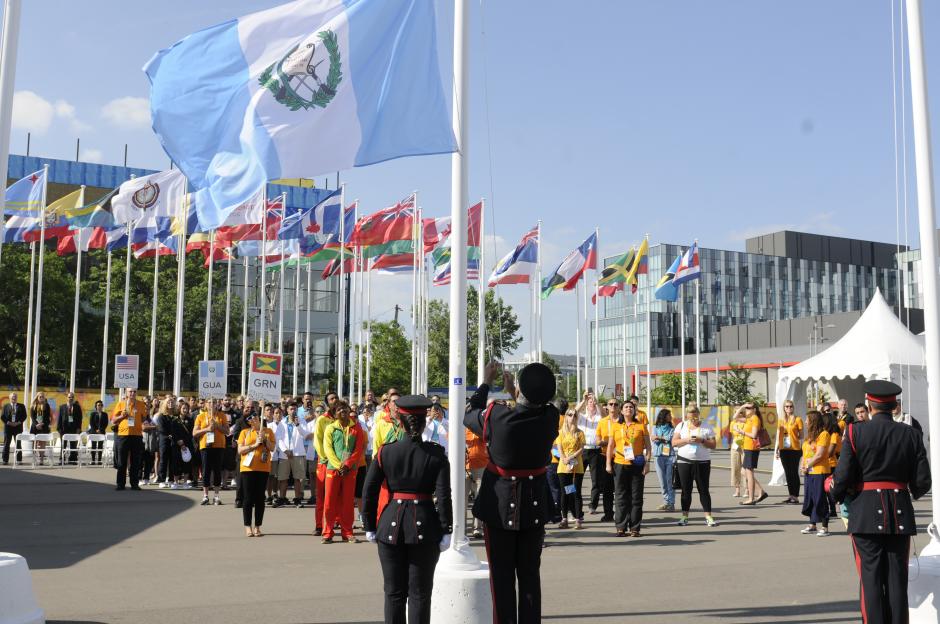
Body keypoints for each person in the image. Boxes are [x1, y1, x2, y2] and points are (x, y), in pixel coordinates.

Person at [464, 362, 559, 624]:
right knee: (529, 577)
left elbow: (469, 413)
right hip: (534, 503)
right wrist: (515, 393)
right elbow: (539, 407)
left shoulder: (497, 416)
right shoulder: (550, 418)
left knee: (502, 579)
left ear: (519, 390)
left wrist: (486, 382)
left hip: (500, 505)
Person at [831, 380, 931, 622]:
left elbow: (842, 476)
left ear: (869, 405)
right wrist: (912, 491)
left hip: (865, 513)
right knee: (897, 580)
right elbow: (922, 481)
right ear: (894, 405)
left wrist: (837, 495)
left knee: (871, 581)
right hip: (899, 513)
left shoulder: (855, 431)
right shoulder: (911, 435)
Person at [362, 395, 452, 624]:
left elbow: (369, 492)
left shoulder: (385, 452)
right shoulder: (436, 453)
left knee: (393, 593)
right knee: (420, 595)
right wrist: (446, 528)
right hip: (425, 524)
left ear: (399, 422)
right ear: (424, 423)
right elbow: (443, 495)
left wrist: (370, 526)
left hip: (389, 525)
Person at [321, 400, 366, 543]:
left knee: (347, 502)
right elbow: (328, 449)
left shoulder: (356, 428)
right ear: (335, 414)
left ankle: (347, 532)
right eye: (339, 410)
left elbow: (358, 449)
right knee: (329, 502)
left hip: (350, 470)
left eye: (345, 409)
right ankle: (328, 532)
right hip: (333, 470)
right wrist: (338, 465)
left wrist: (347, 465)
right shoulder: (330, 428)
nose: (343, 411)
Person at [606, 400, 650, 537]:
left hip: (637, 464)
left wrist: (647, 462)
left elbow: (648, 447)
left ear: (634, 410)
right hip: (620, 463)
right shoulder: (615, 426)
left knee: (636, 497)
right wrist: (608, 463)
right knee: (620, 496)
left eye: (631, 407)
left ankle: (635, 528)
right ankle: (621, 526)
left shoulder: (641, 426)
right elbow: (610, 446)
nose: (628, 409)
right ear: (621, 410)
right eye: (626, 407)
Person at [671, 404, 718, 527]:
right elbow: (674, 442)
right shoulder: (681, 426)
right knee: (686, 491)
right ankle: (684, 516)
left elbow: (713, 445)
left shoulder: (707, 426)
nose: (693, 418)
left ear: (698, 414)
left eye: (695, 415)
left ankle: (708, 517)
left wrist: (701, 440)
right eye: (690, 416)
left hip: (702, 462)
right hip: (684, 461)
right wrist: (687, 440)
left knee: (704, 490)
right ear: (686, 415)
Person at [237, 411, 276, 537]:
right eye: (250, 419)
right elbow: (240, 450)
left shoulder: (268, 431)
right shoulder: (244, 432)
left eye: (255, 417)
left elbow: (272, 448)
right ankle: (247, 526)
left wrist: (264, 439)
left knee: (260, 498)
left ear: (259, 418)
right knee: (248, 498)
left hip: (263, 468)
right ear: (248, 422)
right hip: (248, 469)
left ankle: (257, 526)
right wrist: (254, 445)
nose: (253, 420)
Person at [799, 410, 831, 537]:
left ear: (813, 420)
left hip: (820, 471)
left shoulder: (824, 435)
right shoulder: (808, 437)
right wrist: (803, 466)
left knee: (820, 498)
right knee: (810, 498)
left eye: (807, 419)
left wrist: (807, 465)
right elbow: (804, 454)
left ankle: (825, 526)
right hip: (809, 472)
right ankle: (812, 524)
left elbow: (819, 455)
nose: (806, 422)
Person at [194, 398, 230, 505]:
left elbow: (227, 431)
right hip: (205, 446)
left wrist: (217, 425)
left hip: (219, 446)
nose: (212, 404)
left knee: (217, 470)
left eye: (214, 402)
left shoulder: (222, 415)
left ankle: (216, 496)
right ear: (205, 404)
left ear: (217, 404)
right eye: (209, 402)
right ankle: (205, 496)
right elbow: (194, 432)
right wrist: (207, 429)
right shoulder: (200, 416)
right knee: (206, 470)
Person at [574, 391, 604, 516]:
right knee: (576, 478)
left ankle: (593, 505)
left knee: (596, 480)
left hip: (596, 450)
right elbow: (574, 412)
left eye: (593, 402)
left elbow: (603, 413)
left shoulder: (599, 417)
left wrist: (597, 402)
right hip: (582, 450)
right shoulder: (581, 416)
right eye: (589, 402)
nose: (591, 404)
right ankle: (575, 506)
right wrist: (583, 400)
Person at [111, 388, 147, 491]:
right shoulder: (121, 404)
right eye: (130, 391)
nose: (132, 393)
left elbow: (144, 418)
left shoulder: (140, 404)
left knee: (135, 461)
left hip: (136, 435)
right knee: (122, 461)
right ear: (126, 393)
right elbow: (114, 420)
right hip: (123, 435)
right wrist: (122, 417)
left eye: (134, 391)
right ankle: (120, 484)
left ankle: (134, 484)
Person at [555, 408, 586, 529]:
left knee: (576, 492)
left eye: (574, 415)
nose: (572, 417)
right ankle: (564, 518)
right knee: (565, 492)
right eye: (570, 415)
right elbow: (559, 447)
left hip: (576, 465)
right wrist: (564, 458)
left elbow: (582, 448)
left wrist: (572, 457)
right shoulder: (561, 432)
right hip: (564, 466)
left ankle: (578, 518)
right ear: (566, 417)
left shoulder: (580, 433)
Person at [274, 404, 306, 508]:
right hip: (285, 455)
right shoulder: (282, 423)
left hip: (297, 453)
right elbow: (278, 438)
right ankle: (282, 498)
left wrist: (297, 425)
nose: (293, 411)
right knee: (283, 478)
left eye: (295, 409)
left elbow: (305, 434)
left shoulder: (301, 420)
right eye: (291, 409)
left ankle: (297, 499)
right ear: (287, 410)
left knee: (298, 478)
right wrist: (285, 450)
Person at [593, 398, 617, 521]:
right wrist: (604, 442)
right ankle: (608, 513)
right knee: (607, 488)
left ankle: (621, 513)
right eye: (611, 404)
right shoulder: (602, 422)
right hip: (604, 457)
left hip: (619, 458)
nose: (613, 406)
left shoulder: (622, 421)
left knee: (620, 488)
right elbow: (597, 440)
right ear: (606, 407)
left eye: (616, 404)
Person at [312, 401, 334, 535]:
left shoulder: (341, 419)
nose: (334, 403)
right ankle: (319, 525)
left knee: (335, 495)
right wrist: (325, 457)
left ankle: (333, 523)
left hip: (336, 463)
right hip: (324, 462)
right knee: (321, 495)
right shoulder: (322, 420)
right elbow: (317, 441)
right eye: (331, 400)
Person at [739, 403, 768, 505]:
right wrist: (743, 406)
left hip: (752, 448)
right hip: (747, 448)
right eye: (746, 408)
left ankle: (751, 498)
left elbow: (754, 435)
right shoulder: (749, 418)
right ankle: (760, 491)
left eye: (749, 408)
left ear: (754, 409)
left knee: (749, 473)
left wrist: (742, 432)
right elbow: (735, 417)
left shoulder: (755, 418)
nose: (746, 409)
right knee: (744, 472)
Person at [776, 400, 803, 504]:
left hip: (795, 449)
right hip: (784, 449)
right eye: (787, 407)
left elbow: (801, 435)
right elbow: (780, 435)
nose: (789, 408)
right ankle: (790, 495)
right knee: (787, 473)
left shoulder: (798, 419)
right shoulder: (781, 420)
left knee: (794, 472)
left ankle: (795, 496)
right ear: (784, 408)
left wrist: (793, 437)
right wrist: (778, 449)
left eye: (791, 406)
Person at [465, 424, 488, 539]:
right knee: (462, 499)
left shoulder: (481, 427)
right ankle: (461, 528)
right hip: (464, 467)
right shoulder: (461, 428)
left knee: (479, 498)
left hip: (480, 466)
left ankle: (477, 528)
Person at [652, 408, 676, 512]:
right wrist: (658, 438)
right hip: (658, 456)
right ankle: (666, 502)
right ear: (663, 416)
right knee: (662, 481)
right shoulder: (656, 427)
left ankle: (671, 503)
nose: (670, 417)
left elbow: (669, 438)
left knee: (669, 481)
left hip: (669, 456)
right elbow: (653, 438)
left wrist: (659, 438)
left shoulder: (672, 428)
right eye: (669, 415)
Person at [56, 391, 83, 464]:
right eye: (69, 397)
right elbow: (59, 418)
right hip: (64, 429)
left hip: (74, 429)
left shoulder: (77, 407)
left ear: (73, 398)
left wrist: (79, 429)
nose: (70, 398)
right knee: (63, 446)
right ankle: (62, 459)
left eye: (72, 397)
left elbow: (80, 419)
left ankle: (73, 459)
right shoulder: (62, 407)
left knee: (73, 445)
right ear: (67, 398)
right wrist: (59, 429)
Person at [2, 392, 26, 465]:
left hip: (17, 427)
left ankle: (19, 460)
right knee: (6, 444)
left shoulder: (21, 406)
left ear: (17, 398)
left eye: (15, 396)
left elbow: (24, 416)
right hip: (8, 428)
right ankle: (5, 460)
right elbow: (2, 416)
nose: (14, 398)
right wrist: (8, 422)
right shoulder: (6, 406)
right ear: (9, 398)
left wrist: (18, 423)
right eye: (12, 396)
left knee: (18, 444)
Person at [29, 392, 52, 463]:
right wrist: (36, 424)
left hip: (44, 427)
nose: (42, 398)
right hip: (35, 427)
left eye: (43, 397)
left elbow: (48, 417)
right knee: (35, 443)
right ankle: (34, 458)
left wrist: (42, 424)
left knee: (42, 443)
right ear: (37, 397)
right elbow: (32, 417)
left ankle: (41, 459)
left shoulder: (47, 405)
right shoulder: (33, 405)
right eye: (40, 397)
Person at [729, 408, 747, 497]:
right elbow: (733, 434)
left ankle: (747, 489)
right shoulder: (733, 423)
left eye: (739, 412)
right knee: (735, 468)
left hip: (745, 446)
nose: (737, 414)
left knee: (745, 469)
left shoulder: (746, 422)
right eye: (735, 412)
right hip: (735, 446)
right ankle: (737, 489)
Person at [87, 400, 108, 465]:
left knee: (100, 446)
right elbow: (91, 423)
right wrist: (96, 430)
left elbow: (106, 423)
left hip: (101, 432)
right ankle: (93, 460)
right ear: (96, 406)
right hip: (93, 432)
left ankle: (99, 460)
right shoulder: (93, 414)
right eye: (98, 405)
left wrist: (100, 430)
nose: (100, 406)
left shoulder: (105, 414)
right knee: (93, 446)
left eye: (101, 405)